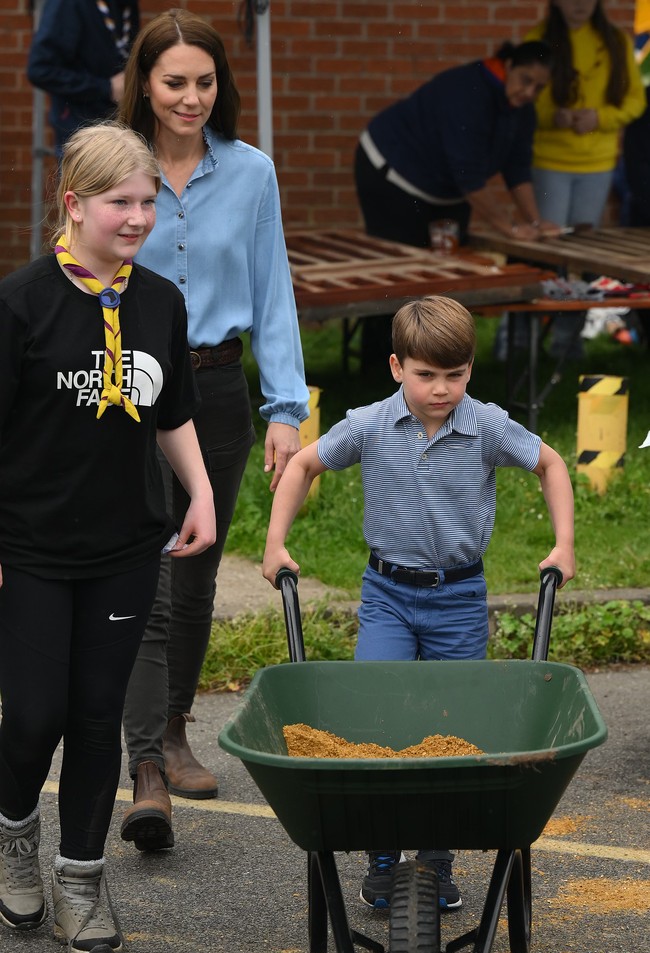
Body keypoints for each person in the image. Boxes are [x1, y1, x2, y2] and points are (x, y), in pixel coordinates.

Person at [262, 295, 575, 911]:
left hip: (458, 596)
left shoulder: (485, 425)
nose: (441, 389)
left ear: (469, 371)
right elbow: (301, 465)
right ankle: (382, 853)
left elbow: (550, 463)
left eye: (454, 376)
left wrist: (563, 544)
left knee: (451, 725)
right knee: (378, 717)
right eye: (426, 374)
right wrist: (275, 543)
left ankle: (436, 858)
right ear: (396, 366)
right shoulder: (371, 423)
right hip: (387, 595)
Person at [0, 122, 216, 953]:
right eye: (119, 202)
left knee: (97, 718)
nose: (136, 217)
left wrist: (197, 491)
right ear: (74, 203)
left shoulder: (160, 301)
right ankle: (17, 835)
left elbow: (171, 412)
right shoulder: (20, 304)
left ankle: (82, 880)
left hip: (127, 544)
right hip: (32, 548)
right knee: (35, 717)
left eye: (148, 201)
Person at [116, 8, 310, 852]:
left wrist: (287, 406)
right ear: (143, 86)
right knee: (151, 580)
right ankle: (145, 767)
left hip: (221, 389)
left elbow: (273, 290)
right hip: (130, 394)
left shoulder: (252, 172)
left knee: (196, 579)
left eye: (205, 82)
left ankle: (177, 728)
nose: (192, 97)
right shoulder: (113, 165)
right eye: (173, 82)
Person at [354, 40, 561, 368]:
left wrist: (534, 223)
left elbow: (518, 167)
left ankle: (439, 361)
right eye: (526, 80)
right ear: (507, 66)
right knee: (398, 275)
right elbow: (469, 176)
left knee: (450, 268)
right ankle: (379, 367)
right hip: (390, 172)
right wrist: (509, 228)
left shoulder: (523, 111)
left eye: (540, 88)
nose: (530, 93)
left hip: (445, 188)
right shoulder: (469, 93)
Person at [525, 0, 646, 358]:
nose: (579, 4)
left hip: (597, 165)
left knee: (581, 258)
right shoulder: (539, 38)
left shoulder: (616, 42)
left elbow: (635, 102)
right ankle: (517, 343)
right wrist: (553, 116)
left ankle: (566, 344)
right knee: (542, 256)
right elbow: (525, 98)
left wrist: (600, 118)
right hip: (550, 161)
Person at [27, 0, 140, 157]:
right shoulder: (67, 4)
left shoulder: (126, 5)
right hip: (80, 130)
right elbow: (40, 69)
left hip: (118, 124)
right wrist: (106, 88)